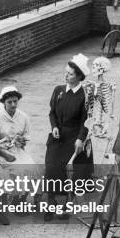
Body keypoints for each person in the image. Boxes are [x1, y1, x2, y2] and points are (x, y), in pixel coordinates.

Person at [44, 53, 94, 221]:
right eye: (66, 72)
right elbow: (52, 113)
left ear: (79, 76)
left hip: (74, 136)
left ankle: (66, 203)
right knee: (51, 167)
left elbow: (86, 121)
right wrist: (55, 126)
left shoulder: (84, 96)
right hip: (58, 136)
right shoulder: (58, 90)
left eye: (70, 74)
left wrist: (81, 138)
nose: (66, 75)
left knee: (68, 170)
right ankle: (50, 202)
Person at [0, 86, 39, 224]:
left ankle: (19, 201)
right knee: (12, 172)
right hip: (0, 151)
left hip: (17, 151)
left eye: (15, 101)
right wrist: (4, 151)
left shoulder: (23, 117)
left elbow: (26, 138)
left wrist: (21, 141)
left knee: (33, 170)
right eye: (9, 102)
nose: (13, 105)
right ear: (3, 102)